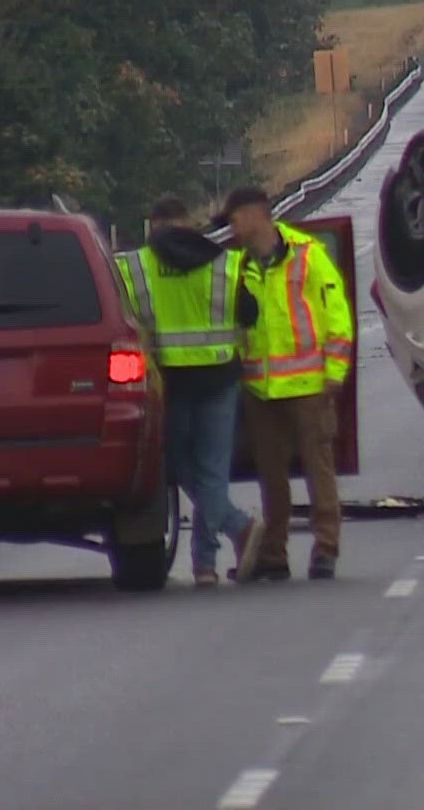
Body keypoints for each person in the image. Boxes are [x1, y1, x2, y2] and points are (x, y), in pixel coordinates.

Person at [115, 196, 262, 587]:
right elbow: (250, 313)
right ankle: (205, 565)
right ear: (189, 223)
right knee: (214, 472)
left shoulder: (134, 267)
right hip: (219, 377)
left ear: (153, 226)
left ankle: (239, 529)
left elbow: (118, 320)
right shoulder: (224, 262)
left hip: (168, 383)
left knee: (178, 468)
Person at [223, 186, 354, 580]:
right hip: (261, 388)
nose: (232, 227)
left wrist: (334, 373)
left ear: (255, 214)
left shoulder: (308, 255)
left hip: (310, 385)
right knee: (271, 476)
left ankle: (325, 549)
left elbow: (337, 317)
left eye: (234, 218)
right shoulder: (236, 265)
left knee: (319, 470)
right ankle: (274, 555)